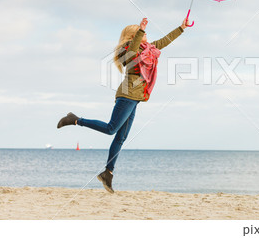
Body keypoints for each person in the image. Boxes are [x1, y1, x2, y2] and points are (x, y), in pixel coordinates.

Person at [57, 17, 190, 193]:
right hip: (127, 94)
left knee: (121, 137)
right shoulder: (127, 50)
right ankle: (75, 120)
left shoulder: (148, 49)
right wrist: (141, 30)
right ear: (134, 36)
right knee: (111, 129)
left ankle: (108, 173)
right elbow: (133, 52)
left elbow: (165, 41)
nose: (146, 35)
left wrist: (181, 27)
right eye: (142, 33)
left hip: (135, 97)